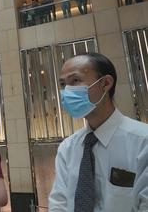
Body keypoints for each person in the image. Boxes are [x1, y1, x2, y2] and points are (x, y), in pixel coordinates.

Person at [49, 53, 148, 211]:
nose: (67, 91)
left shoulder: (143, 142)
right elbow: (58, 202)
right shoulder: (67, 148)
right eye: (62, 84)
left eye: (75, 81)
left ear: (105, 83)